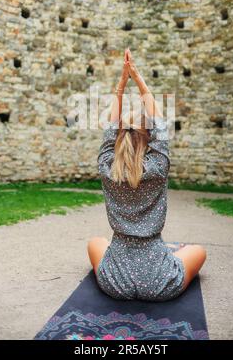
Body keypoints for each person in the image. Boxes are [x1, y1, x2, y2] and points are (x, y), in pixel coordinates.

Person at [87, 48, 206, 300]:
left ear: (118, 138)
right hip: (160, 281)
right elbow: (160, 123)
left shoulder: (107, 167)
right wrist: (138, 78)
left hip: (114, 282)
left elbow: (111, 128)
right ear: (149, 137)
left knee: (94, 242)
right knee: (198, 251)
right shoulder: (158, 168)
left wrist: (121, 83)